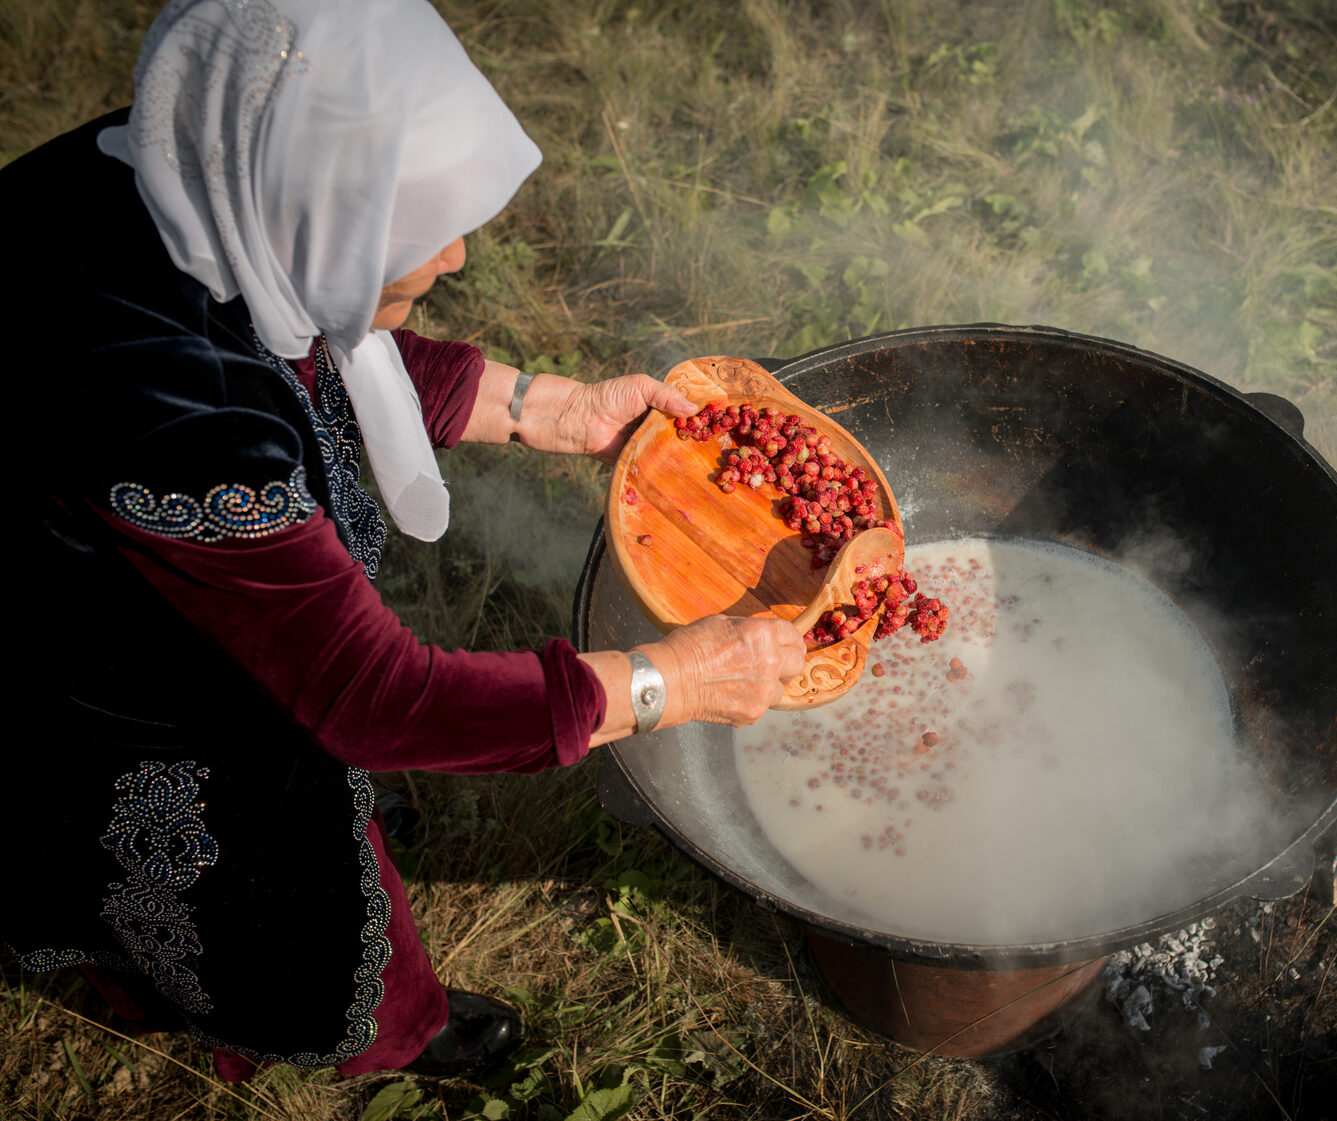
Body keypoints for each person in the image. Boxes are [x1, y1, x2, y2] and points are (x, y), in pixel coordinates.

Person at [1, 0, 803, 1081]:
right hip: (114, 685)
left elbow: (315, 328)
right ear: (310, 202)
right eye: (416, 225)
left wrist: (541, 407)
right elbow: (371, 696)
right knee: (237, 881)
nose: (461, 253)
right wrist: (673, 680)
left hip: (106, 591)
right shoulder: (165, 408)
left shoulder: (201, 165)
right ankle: (389, 1037)